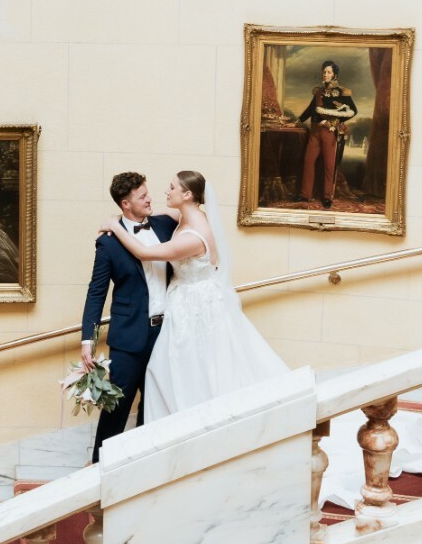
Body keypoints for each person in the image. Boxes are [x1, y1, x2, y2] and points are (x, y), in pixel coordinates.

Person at [98, 170, 288, 421]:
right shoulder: (186, 215)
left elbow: (144, 253)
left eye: (172, 188)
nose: (166, 192)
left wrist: (114, 226)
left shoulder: (192, 236)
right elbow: (154, 213)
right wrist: (126, 217)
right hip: (182, 299)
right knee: (175, 369)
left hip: (195, 304)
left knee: (196, 368)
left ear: (187, 194)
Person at [81, 171, 177, 462]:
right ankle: (98, 479)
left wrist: (146, 211)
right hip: (128, 339)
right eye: (142, 196)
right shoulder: (108, 243)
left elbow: (187, 210)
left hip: (166, 335)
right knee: (116, 411)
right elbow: (96, 293)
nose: (150, 198)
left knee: (154, 409)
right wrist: (88, 340)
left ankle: (141, 476)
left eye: (148, 192)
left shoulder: (164, 225)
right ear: (125, 203)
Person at [295, 60, 358, 209]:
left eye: (328, 72)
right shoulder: (318, 92)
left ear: (334, 74)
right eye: (324, 72)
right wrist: (297, 121)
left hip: (329, 132)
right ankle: (305, 194)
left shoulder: (342, 92)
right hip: (315, 132)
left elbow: (352, 111)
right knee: (308, 161)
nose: (325, 74)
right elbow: (311, 110)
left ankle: (327, 197)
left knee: (329, 165)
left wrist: (335, 121)